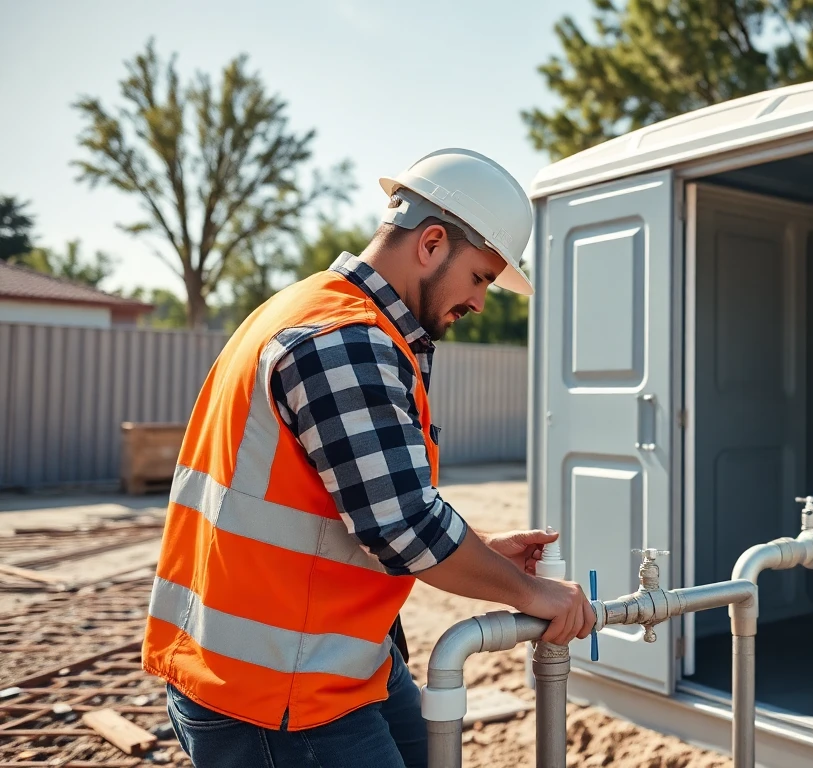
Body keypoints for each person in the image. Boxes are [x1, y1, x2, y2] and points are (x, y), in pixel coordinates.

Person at [141, 148, 594, 767]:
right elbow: (403, 526)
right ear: (432, 244)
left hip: (329, 661)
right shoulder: (346, 341)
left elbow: (359, 501)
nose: (482, 302)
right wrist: (529, 593)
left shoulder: (313, 309)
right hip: (277, 694)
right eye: (482, 277)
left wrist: (482, 547)